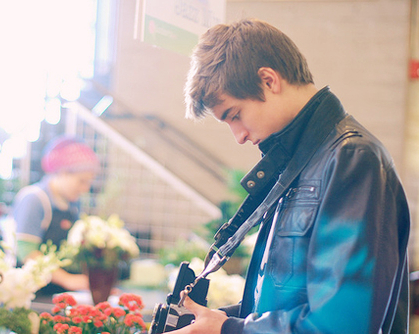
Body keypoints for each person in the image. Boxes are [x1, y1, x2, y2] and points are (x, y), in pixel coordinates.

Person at [175, 18, 410, 334]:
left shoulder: (353, 158)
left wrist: (231, 329)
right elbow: (288, 303)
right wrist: (221, 321)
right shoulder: (300, 160)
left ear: (269, 80)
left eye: (235, 115)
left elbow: (342, 326)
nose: (238, 136)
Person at [12, 135, 99, 295]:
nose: (85, 189)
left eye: (89, 182)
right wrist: (68, 280)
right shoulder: (34, 199)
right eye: (81, 181)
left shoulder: (72, 204)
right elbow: (27, 253)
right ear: (63, 172)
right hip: (30, 292)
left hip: (56, 291)